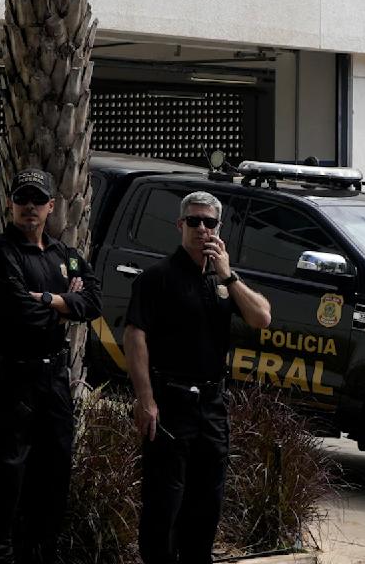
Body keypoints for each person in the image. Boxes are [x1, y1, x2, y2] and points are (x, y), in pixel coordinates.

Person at [124, 191, 272, 564]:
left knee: (207, 503)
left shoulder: (225, 280)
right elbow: (135, 337)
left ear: (219, 229)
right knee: (165, 504)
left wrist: (228, 274)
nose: (202, 229)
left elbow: (261, 318)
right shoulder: (157, 278)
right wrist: (146, 400)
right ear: (180, 226)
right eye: (194, 221)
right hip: (170, 402)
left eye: (209, 222)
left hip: (212, 406)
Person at [0, 168, 103, 564]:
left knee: (54, 470)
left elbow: (93, 302)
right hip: (13, 376)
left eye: (37, 200)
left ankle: (40, 552)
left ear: (51, 206)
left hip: (54, 379)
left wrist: (47, 299)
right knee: (5, 475)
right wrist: (65, 304)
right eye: (22, 199)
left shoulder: (66, 255)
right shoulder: (0, 253)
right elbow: (16, 314)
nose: (29, 207)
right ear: (11, 205)